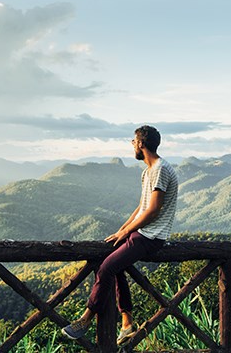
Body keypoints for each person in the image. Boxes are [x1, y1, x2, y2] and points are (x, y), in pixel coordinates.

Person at [61, 125, 179, 346]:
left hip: (151, 237)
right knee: (115, 266)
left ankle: (86, 319)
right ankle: (126, 322)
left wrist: (128, 231)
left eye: (133, 142)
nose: (133, 145)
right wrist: (123, 230)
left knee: (107, 268)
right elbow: (141, 207)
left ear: (141, 144)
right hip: (141, 233)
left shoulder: (160, 169)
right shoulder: (149, 170)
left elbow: (153, 210)